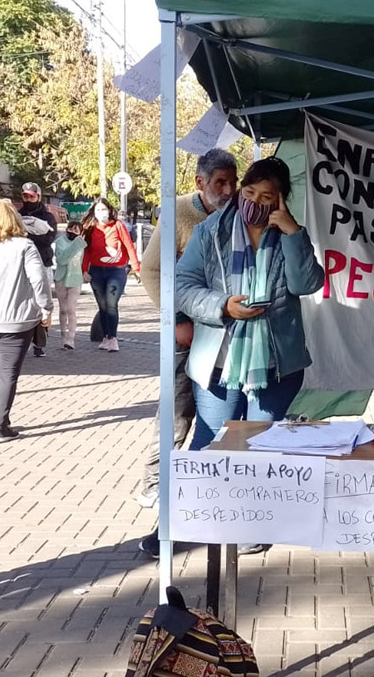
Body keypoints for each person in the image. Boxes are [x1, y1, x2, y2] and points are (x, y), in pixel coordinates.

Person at [177, 156, 324, 452]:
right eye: (249, 193)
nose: (255, 201)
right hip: (219, 364)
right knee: (212, 445)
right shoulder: (211, 232)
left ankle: (249, 500)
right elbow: (182, 287)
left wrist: (293, 233)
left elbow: (306, 284)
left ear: (280, 200)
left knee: (262, 447)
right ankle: (201, 500)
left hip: (275, 367)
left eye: (266, 196)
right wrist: (223, 306)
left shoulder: (289, 234)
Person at [138, 149, 238, 507]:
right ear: (200, 183)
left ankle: (211, 482)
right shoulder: (179, 213)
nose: (228, 190)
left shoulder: (242, 211)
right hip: (187, 332)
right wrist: (177, 320)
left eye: (233, 181)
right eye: (219, 183)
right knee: (177, 410)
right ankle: (154, 481)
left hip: (227, 332)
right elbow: (151, 271)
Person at [0, 199, 53, 443]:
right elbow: (39, 280)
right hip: (16, 320)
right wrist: (46, 308)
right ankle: (0, 426)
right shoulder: (24, 246)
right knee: (7, 371)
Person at [81, 197, 141, 353]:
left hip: (116, 270)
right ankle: (105, 337)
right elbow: (87, 250)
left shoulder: (118, 226)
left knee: (111, 304)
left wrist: (136, 267)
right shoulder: (91, 228)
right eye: (98, 210)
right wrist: (84, 270)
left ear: (109, 210)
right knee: (102, 306)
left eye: (104, 209)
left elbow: (129, 246)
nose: (101, 213)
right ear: (94, 212)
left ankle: (113, 338)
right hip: (96, 270)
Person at [19, 182, 56, 357]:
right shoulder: (17, 215)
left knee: (42, 302)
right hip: (21, 264)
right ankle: (24, 338)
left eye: (31, 196)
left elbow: (48, 239)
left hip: (43, 263)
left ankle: (40, 343)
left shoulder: (48, 217)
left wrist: (28, 235)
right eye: (25, 196)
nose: (28, 199)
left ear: (39, 197)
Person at [53, 221, 86, 350]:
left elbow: (81, 260)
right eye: (71, 229)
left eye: (76, 230)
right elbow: (62, 259)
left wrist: (84, 272)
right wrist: (76, 244)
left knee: (71, 309)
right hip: (61, 278)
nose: (73, 231)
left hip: (75, 279)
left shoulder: (81, 244)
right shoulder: (60, 242)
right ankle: (63, 336)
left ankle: (71, 338)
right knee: (63, 309)